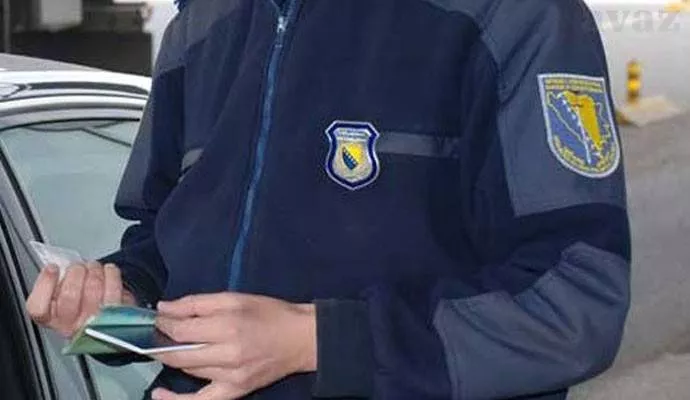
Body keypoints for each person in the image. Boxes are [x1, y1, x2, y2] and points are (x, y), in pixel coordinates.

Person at [25, 0, 632, 399]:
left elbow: (575, 302)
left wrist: (314, 341)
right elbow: (165, 245)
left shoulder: (510, 16)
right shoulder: (202, 24)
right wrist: (114, 313)